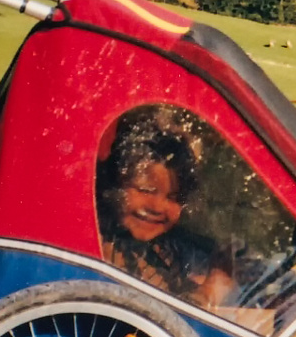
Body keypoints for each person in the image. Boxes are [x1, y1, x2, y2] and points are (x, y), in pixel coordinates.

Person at [96, 112, 234, 308]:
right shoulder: (104, 247)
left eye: (173, 198)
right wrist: (208, 293)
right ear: (114, 183)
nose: (158, 207)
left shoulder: (165, 250)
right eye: (145, 190)